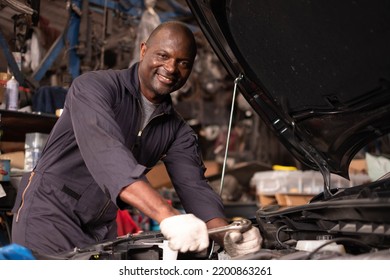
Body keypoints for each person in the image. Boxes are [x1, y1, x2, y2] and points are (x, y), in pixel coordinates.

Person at [11, 21, 262, 257]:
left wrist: (227, 234)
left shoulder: (177, 130)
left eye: (183, 62)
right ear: (144, 50)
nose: (171, 68)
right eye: (163, 56)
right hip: (49, 214)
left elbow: (194, 187)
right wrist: (166, 214)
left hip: (99, 227)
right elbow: (107, 153)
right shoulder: (93, 88)